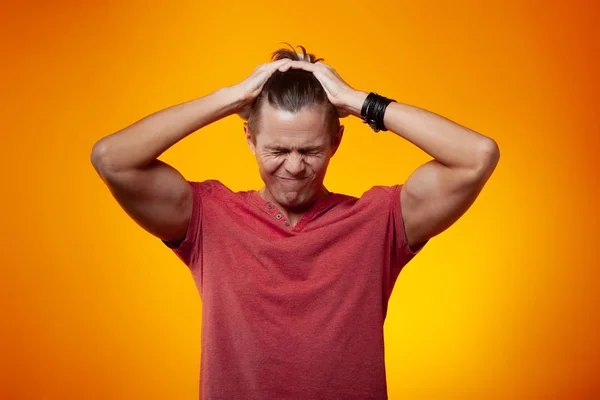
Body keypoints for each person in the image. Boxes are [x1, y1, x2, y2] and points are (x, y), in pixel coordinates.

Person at [91, 44, 499, 400]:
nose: (294, 167)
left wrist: (359, 101)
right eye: (278, 149)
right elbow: (111, 158)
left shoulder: (380, 220)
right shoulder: (208, 216)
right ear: (249, 137)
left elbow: (477, 155)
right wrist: (232, 98)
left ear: (336, 141)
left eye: (310, 150)